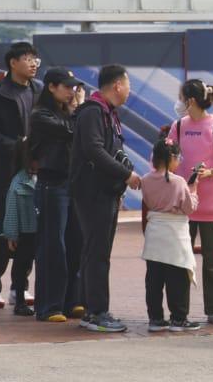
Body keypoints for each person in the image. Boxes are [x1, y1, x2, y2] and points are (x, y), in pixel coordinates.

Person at [69, 63, 142, 333]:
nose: (129, 91)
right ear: (117, 86)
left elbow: (114, 149)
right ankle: (96, 312)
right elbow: (95, 151)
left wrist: (124, 174)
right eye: (128, 85)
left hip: (105, 192)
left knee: (97, 252)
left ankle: (93, 309)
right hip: (92, 192)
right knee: (96, 252)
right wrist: (126, 176)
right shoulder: (92, 112)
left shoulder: (108, 113)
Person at [164, 78, 213, 325]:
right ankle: (179, 312)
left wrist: (211, 173)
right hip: (185, 205)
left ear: (191, 101)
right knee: (180, 260)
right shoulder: (178, 125)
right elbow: (169, 156)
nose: (181, 103)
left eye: (183, 98)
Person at [0, 41, 40, 310]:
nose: (34, 63)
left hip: (33, 173)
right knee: (5, 229)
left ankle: (20, 287)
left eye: (36, 58)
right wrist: (17, 145)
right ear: (13, 62)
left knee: (30, 231)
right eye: (27, 58)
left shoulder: (39, 92)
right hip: (5, 174)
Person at [29, 68, 84, 322]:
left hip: (72, 184)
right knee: (54, 245)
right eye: (66, 86)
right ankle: (49, 306)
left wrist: (76, 110)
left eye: (74, 87)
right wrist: (80, 109)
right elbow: (70, 131)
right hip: (52, 185)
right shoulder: (41, 114)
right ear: (51, 86)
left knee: (75, 242)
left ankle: (72, 300)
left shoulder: (67, 112)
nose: (72, 91)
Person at [140, 140, 201, 332]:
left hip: (155, 232)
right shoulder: (179, 182)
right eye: (178, 158)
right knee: (178, 278)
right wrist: (194, 191)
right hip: (175, 234)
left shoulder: (145, 180)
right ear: (171, 158)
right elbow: (189, 208)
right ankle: (178, 318)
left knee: (154, 279)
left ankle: (155, 318)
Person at [0, 140, 40, 317]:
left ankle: (42, 298)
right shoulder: (18, 182)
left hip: (41, 231)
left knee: (40, 266)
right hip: (26, 232)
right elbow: (11, 211)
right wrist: (11, 234)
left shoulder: (45, 178)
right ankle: (19, 299)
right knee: (21, 266)